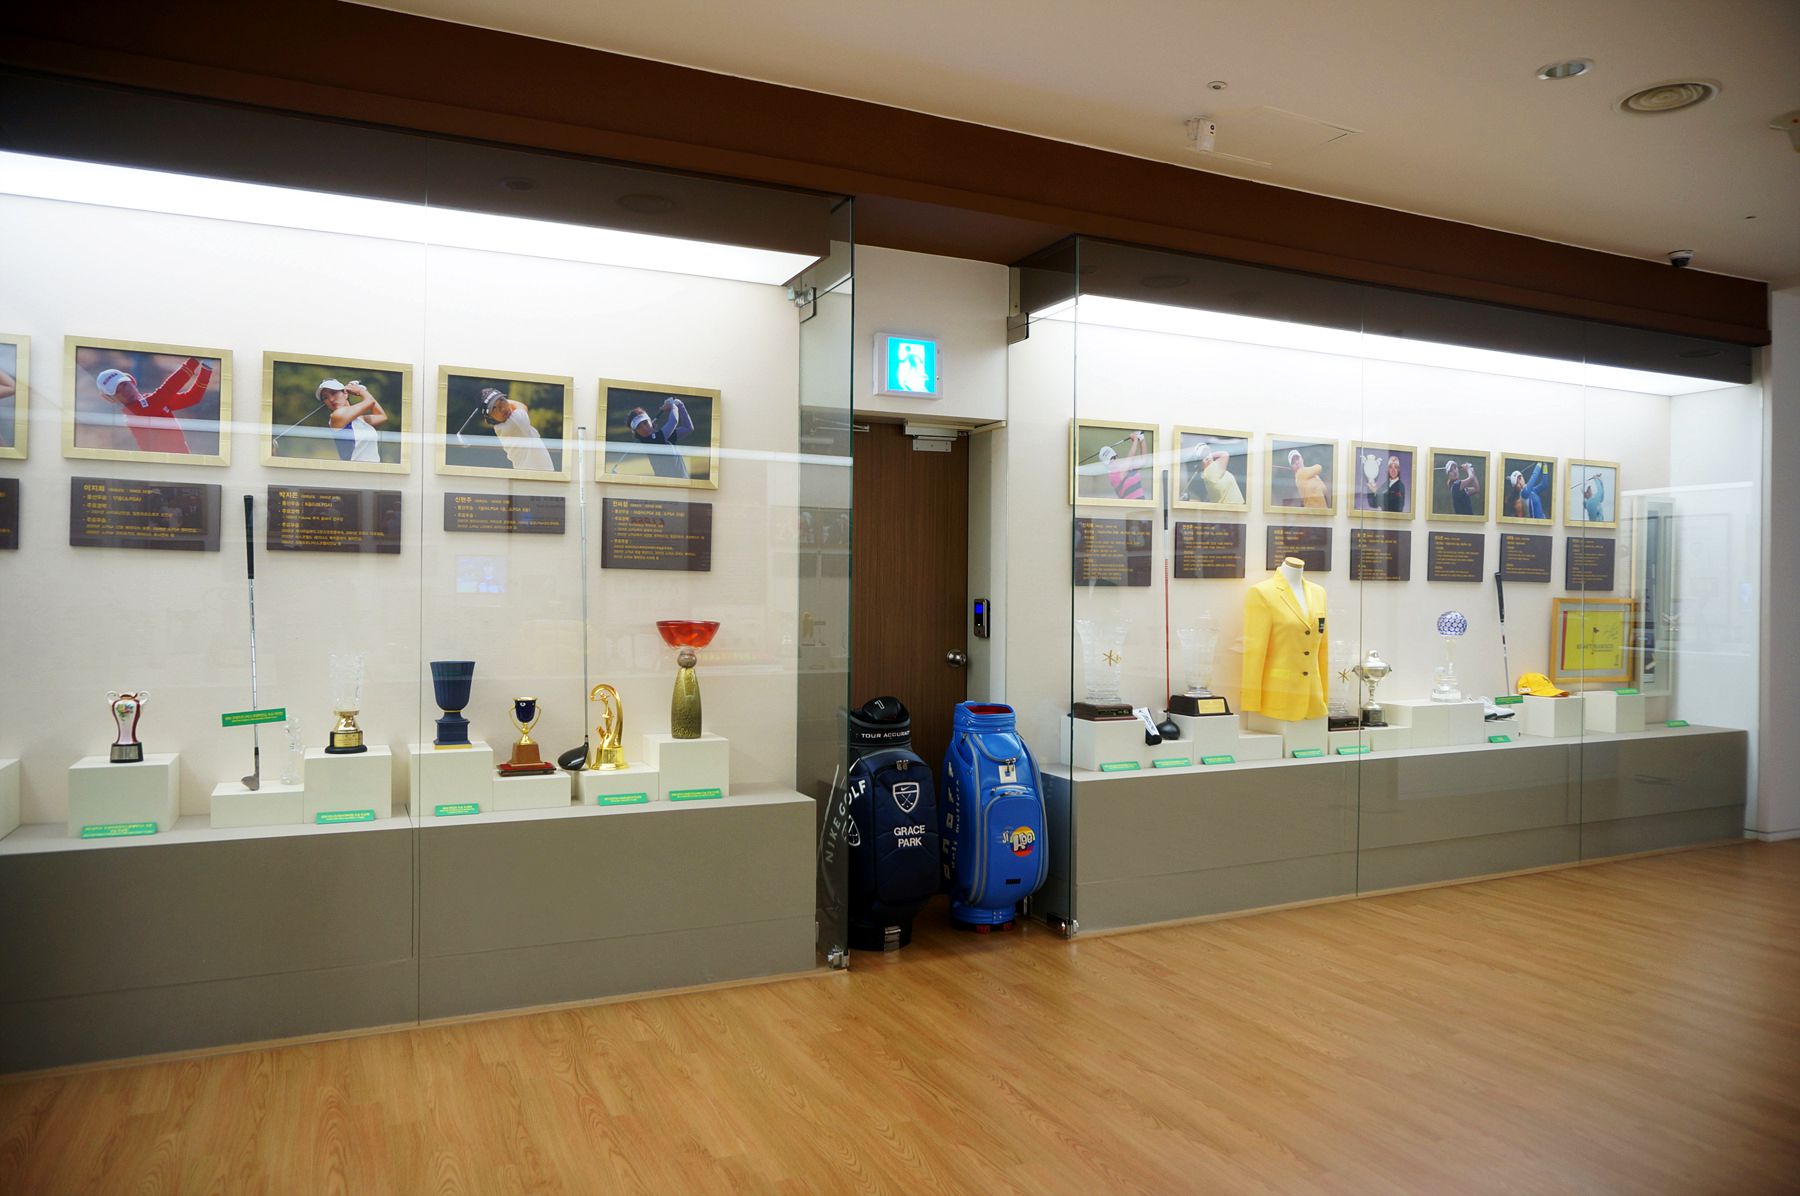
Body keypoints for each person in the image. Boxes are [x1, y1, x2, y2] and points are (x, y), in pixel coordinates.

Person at [95, 357, 213, 455]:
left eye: (124, 385)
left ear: (132, 381)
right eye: (117, 391)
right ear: (111, 399)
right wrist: (194, 361)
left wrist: (207, 368)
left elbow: (192, 398)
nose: (125, 392)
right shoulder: (136, 413)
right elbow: (168, 389)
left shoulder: (152, 400)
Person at [614, 395, 694, 480]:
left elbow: (688, 428)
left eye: (645, 423)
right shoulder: (652, 440)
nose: (644, 428)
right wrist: (673, 405)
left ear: (650, 421)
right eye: (639, 427)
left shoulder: (662, 436)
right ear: (636, 432)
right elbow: (673, 421)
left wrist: (680, 405)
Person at [480, 388, 554, 472]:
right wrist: (500, 399)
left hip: (534, 474)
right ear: (490, 418)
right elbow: (521, 406)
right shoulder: (515, 422)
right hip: (535, 476)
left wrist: (492, 400)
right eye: (494, 408)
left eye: (502, 400)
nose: (502, 409)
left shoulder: (500, 426)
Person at [317, 378, 387, 464]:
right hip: (355, 469)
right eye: (325, 398)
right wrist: (361, 391)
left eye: (333, 393)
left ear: (345, 394)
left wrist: (362, 391)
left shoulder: (360, 419)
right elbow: (370, 401)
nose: (331, 399)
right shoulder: (336, 416)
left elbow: (382, 416)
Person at [1096, 431, 1149, 501]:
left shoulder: (1125, 466)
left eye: (1114, 457)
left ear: (1117, 455)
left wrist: (1142, 439)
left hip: (1142, 502)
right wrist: (1135, 440)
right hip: (1129, 505)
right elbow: (1130, 459)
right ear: (1106, 465)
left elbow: (1143, 460)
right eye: (1110, 461)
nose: (1114, 461)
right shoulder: (1113, 475)